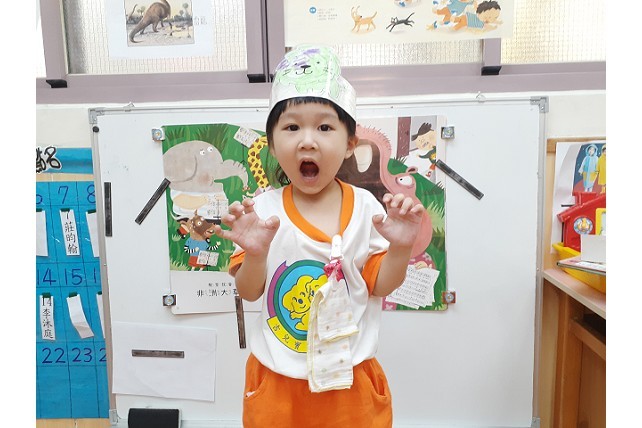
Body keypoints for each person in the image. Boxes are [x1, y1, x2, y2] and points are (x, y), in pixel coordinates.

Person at [212, 45, 425, 427]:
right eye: (292, 127)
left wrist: (401, 247)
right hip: (277, 385)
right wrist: (256, 254)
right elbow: (249, 291)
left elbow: (380, 285)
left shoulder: (366, 208)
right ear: (272, 144)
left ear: (349, 144)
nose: (307, 141)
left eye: (325, 127)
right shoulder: (261, 210)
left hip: (350, 384)